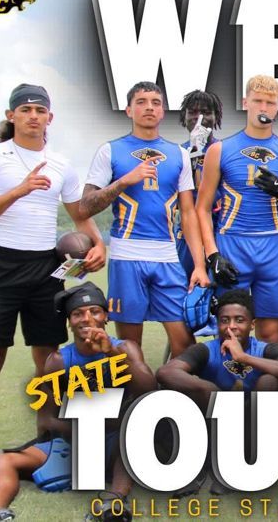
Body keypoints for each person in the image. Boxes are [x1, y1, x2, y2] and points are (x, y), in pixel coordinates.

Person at [0, 83, 106, 474]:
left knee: (48, 358)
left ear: (50, 118)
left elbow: (80, 214)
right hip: (1, 266)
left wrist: (98, 245)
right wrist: (21, 189)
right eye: (24, 109)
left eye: (39, 110)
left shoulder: (61, 163)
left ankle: (49, 438)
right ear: (11, 116)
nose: (32, 116)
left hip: (45, 268)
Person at [0, 283, 156, 521]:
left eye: (94, 311)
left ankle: (111, 505)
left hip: (118, 442)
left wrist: (111, 354)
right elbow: (47, 419)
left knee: (133, 436)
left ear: (106, 317)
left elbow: (149, 390)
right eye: (78, 313)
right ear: (70, 322)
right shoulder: (58, 361)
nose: (86, 318)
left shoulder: (125, 348)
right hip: (74, 440)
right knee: (1, 459)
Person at [80, 82, 210, 359]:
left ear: (162, 111)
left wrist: (199, 265)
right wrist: (125, 181)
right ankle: (134, 399)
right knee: (129, 348)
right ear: (128, 110)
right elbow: (86, 206)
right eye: (141, 102)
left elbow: (188, 213)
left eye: (155, 102)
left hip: (167, 258)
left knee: (184, 342)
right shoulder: (110, 150)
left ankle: (175, 395)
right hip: (127, 256)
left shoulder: (179, 154)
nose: (149, 107)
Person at [195, 75, 278, 344]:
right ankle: (229, 384)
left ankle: (263, 385)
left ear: (277, 108)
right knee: (229, 331)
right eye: (258, 101)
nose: (264, 108)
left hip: (273, 246)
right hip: (232, 245)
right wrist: (213, 256)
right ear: (245, 102)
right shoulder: (219, 150)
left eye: (270, 103)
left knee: (271, 335)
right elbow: (202, 209)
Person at [156, 289, 278, 496]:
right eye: (224, 320)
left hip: (255, 424)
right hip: (217, 422)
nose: (231, 327)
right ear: (217, 324)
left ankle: (258, 459)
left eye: (239, 320)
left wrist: (244, 358)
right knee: (202, 390)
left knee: (269, 381)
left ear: (252, 325)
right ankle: (214, 464)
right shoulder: (206, 350)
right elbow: (166, 372)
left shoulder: (266, 349)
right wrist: (206, 388)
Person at [175, 89, 223, 276]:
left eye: (205, 111)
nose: (199, 117)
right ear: (184, 117)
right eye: (193, 112)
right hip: (187, 233)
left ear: (215, 116)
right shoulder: (176, 153)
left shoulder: (226, 151)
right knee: (184, 291)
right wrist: (194, 153)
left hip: (219, 233)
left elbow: (213, 198)